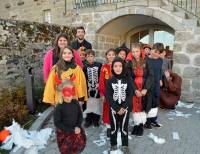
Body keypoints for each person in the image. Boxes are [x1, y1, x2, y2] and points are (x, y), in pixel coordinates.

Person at [106, 57, 135, 153]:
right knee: (113, 128)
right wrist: (116, 108)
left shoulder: (128, 80)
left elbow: (130, 94)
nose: (118, 68)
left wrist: (123, 107)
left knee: (124, 128)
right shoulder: (110, 81)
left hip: (125, 109)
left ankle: (125, 145)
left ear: (123, 67)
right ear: (112, 67)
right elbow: (108, 96)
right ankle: (113, 144)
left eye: (120, 66)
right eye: (115, 66)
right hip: (113, 109)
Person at [127, 43, 154, 136]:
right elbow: (129, 77)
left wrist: (146, 89)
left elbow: (151, 76)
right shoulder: (129, 63)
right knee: (135, 107)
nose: (135, 53)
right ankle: (136, 125)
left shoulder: (147, 61)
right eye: (133, 51)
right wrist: (135, 90)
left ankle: (141, 125)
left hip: (144, 87)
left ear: (140, 51)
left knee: (142, 106)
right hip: (134, 88)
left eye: (137, 51)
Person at [54, 79, 86, 154]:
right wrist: (71, 130)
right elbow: (57, 123)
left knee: (77, 149)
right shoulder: (59, 107)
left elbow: (80, 115)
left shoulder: (75, 102)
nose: (71, 94)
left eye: (72, 91)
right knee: (67, 151)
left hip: (76, 130)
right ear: (62, 92)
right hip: (65, 134)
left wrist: (78, 126)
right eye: (68, 91)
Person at [144, 43, 163, 129]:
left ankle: (153, 120)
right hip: (148, 84)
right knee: (148, 102)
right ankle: (146, 121)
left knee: (155, 102)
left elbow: (159, 71)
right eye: (154, 51)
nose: (156, 54)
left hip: (156, 85)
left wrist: (160, 80)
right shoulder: (145, 59)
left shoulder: (160, 60)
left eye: (158, 52)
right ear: (151, 50)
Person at [83, 49, 102, 127]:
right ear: (86, 58)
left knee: (97, 104)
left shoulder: (99, 65)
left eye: (91, 56)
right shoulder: (84, 67)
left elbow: (101, 76)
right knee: (88, 105)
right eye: (88, 56)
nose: (90, 58)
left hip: (97, 88)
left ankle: (96, 120)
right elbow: (83, 78)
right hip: (88, 89)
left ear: (94, 57)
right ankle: (88, 120)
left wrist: (99, 84)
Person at [99, 48, 116, 137]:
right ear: (106, 56)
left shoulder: (118, 65)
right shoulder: (104, 67)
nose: (111, 56)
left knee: (116, 109)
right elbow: (101, 81)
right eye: (109, 55)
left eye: (113, 54)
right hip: (107, 93)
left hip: (117, 92)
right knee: (107, 110)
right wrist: (102, 93)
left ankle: (115, 126)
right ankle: (109, 127)